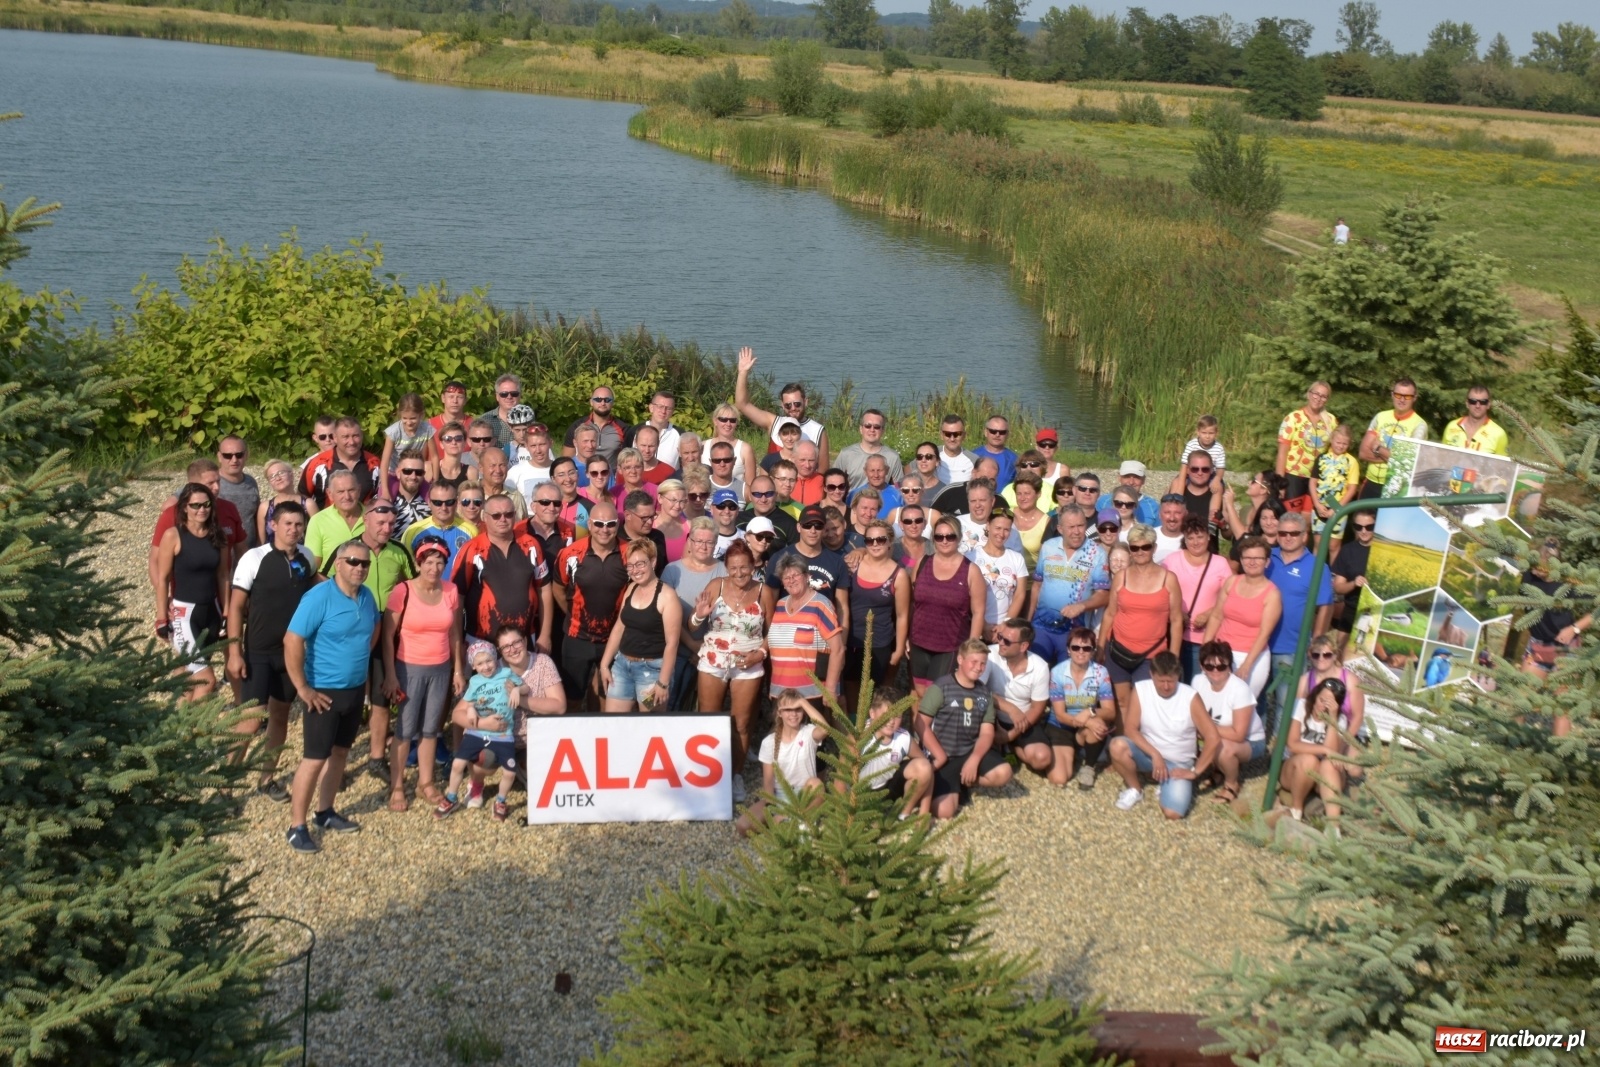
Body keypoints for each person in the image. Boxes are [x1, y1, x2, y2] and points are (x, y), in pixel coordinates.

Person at [283, 538, 381, 853]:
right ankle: (296, 825)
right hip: (322, 691)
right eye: (353, 561)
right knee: (314, 759)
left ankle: (325, 811)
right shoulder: (319, 597)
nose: (359, 568)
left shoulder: (366, 597)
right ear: (338, 563)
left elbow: (373, 630)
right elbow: (292, 640)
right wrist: (302, 688)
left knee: (340, 753)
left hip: (353, 690)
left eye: (365, 563)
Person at [227, 500, 318, 803]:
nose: (293, 530)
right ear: (273, 525)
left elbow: (320, 589)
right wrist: (234, 652)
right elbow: (236, 607)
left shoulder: (306, 558)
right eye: (287, 524)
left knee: (279, 717)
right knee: (251, 721)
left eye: (298, 524)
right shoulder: (255, 558)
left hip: (291, 653)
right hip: (258, 652)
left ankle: (267, 779)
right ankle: (224, 784)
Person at [328, 500, 415, 779]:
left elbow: (414, 582)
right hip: (351, 629)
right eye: (380, 523)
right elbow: (323, 578)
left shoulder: (399, 549)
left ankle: (376, 758)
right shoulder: (350, 549)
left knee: (380, 697)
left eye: (391, 524)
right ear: (366, 521)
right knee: (343, 698)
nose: (387, 528)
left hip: (387, 629)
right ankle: (334, 764)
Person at [381, 537, 464, 812]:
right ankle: (397, 786)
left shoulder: (451, 590)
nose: (434, 567)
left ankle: (425, 783)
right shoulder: (402, 591)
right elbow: (387, 636)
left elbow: (454, 634)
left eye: (440, 561)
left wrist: (458, 670)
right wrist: (391, 675)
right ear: (418, 562)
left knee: (431, 730)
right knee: (405, 731)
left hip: (440, 668)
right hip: (409, 668)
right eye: (428, 561)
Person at [688, 539, 764, 795]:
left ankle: (735, 776)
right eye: (733, 568)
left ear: (753, 566)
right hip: (714, 660)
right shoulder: (715, 585)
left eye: (744, 567)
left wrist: (760, 654)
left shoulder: (765, 592)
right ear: (726, 568)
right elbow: (693, 626)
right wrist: (699, 614)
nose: (739, 573)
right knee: (710, 721)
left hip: (748, 662)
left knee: (741, 724)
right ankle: (709, 776)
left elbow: (772, 632)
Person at [1106, 652, 1220, 819]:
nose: (1166, 686)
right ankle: (1135, 789)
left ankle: (1167, 784)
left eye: (1171, 681)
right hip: (1149, 756)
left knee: (1173, 813)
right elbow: (1130, 729)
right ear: (1152, 675)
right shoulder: (1141, 690)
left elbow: (1213, 738)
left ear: (1178, 677)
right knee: (1117, 746)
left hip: (1178, 762)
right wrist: (1155, 754)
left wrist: (1195, 772)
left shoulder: (1190, 697)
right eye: (1161, 681)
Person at [917, 639, 1013, 820]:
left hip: (969, 751)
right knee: (943, 812)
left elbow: (986, 732)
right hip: (944, 755)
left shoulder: (984, 693)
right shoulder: (941, 687)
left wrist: (975, 759)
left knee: (1004, 773)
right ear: (960, 660)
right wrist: (940, 756)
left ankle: (965, 779)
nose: (979, 667)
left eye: (983, 663)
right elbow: (920, 723)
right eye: (974, 662)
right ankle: (957, 784)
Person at [152, 482, 229, 703]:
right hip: (184, 614)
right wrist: (160, 617)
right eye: (195, 505)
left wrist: (226, 613)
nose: (201, 510)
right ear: (185, 507)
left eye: (206, 504)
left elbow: (223, 575)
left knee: (187, 672)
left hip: (211, 611)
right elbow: (163, 578)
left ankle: (178, 722)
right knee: (206, 679)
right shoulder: (173, 536)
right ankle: (194, 730)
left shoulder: (218, 536)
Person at [435, 642, 524, 822]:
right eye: (480, 663)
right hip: (477, 732)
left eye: (489, 661)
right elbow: (470, 702)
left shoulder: (506, 673)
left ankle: (500, 801)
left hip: (503, 733)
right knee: (458, 764)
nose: (486, 666)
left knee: (510, 771)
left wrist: (517, 690)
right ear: (474, 666)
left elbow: (525, 687)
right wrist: (471, 709)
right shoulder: (475, 681)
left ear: (495, 659)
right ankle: (451, 797)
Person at [1264, 511, 1335, 736]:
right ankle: (1256, 746)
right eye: (1282, 533)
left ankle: (1281, 752)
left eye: (1293, 533)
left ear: (1305, 536)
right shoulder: (1266, 559)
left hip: (1292, 647)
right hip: (1259, 644)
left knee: (1287, 704)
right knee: (1255, 699)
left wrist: (1316, 641)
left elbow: (1325, 605)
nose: (1287, 537)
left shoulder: (1317, 567)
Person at [1099, 523, 1182, 713]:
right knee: (1121, 703)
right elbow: (1110, 613)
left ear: (1153, 548)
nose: (1140, 552)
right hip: (1118, 650)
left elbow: (1176, 620)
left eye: (1145, 547)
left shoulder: (1168, 579)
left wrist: (1173, 656)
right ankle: (1123, 742)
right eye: (1134, 548)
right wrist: (1101, 646)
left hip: (1151, 654)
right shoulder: (1121, 577)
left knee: (1146, 706)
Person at [554, 501, 629, 708]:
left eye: (611, 524)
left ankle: (604, 737)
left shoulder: (630, 553)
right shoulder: (570, 554)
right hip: (577, 637)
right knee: (573, 697)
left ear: (618, 524)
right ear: (589, 524)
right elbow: (558, 589)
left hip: (614, 638)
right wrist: (573, 615)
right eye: (598, 523)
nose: (604, 530)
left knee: (609, 694)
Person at [599, 539, 681, 713]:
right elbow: (619, 628)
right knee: (614, 724)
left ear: (652, 562)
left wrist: (663, 682)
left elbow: (672, 643)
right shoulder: (631, 589)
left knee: (650, 726)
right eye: (630, 566)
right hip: (622, 666)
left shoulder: (667, 596)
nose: (635, 570)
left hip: (652, 671)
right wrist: (605, 664)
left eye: (640, 564)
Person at [908, 516, 985, 696]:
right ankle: (916, 726)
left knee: (935, 697)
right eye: (939, 536)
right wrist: (906, 637)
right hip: (919, 642)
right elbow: (913, 603)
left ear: (958, 538)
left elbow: (978, 612)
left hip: (950, 646)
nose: (944, 541)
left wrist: (971, 649)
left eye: (950, 536)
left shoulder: (971, 571)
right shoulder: (922, 563)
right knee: (918, 694)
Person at [735, 691, 828, 837]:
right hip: (780, 795)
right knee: (743, 826)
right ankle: (788, 821)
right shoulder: (769, 742)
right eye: (788, 710)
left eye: (797, 709)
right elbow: (768, 782)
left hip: (805, 793)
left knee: (817, 784)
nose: (793, 714)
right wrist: (773, 807)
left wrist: (803, 702)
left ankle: (797, 819)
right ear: (779, 713)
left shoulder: (808, 732)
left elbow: (825, 729)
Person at [147, 459, 250, 591]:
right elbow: (155, 561)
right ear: (192, 485)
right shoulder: (172, 515)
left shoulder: (229, 509)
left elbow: (242, 551)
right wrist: (165, 599)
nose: (217, 487)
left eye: (218, 481)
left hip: (222, 594)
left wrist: (244, 589)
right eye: (210, 483)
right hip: (183, 597)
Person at [1026, 504, 1111, 663]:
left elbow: (1104, 595)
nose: (1077, 531)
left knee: (1067, 679)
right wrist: (1029, 621)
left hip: (1074, 631)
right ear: (1060, 528)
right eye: (1071, 527)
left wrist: (1082, 606)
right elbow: (1037, 585)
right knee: (1036, 673)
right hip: (1041, 626)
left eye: (1080, 525)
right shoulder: (1048, 547)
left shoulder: (1097, 553)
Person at [1203, 536, 1282, 697]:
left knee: (1241, 704)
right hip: (1220, 652)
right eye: (1247, 558)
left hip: (1250, 655)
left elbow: (1264, 634)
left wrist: (1247, 665)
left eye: (1257, 558)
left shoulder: (1272, 594)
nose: (1252, 562)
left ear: (1266, 562)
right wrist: (1206, 649)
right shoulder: (1231, 582)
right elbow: (1216, 616)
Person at [844, 519, 911, 708]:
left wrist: (898, 650)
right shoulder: (852, 565)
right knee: (850, 684)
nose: (874, 544)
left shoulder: (899, 575)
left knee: (878, 691)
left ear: (890, 542)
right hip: (851, 639)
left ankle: (874, 731)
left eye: (880, 540)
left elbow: (902, 616)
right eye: (869, 540)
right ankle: (854, 731)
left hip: (880, 641)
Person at [1192, 639, 1263, 805]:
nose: (1215, 670)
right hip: (1219, 733)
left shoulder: (1239, 690)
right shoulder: (1198, 681)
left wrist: (1205, 727)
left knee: (1223, 747)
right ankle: (1218, 771)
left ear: (1229, 666)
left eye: (1221, 666)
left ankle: (1232, 784)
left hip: (1250, 741)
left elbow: (1238, 734)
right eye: (1210, 666)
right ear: (1202, 667)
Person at [766, 554, 845, 699]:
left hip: (813, 693)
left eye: (795, 575)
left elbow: (838, 650)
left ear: (807, 576)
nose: (791, 581)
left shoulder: (821, 605)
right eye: (786, 577)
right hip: (781, 693)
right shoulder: (780, 605)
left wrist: (831, 689)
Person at [1045, 627, 1115, 790]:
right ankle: (1076, 753)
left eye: (1086, 648)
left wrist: (1090, 712)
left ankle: (1089, 766)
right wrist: (1087, 723)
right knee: (1059, 778)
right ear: (1068, 650)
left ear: (1093, 651)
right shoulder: (1057, 672)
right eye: (1075, 647)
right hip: (1060, 726)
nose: (1081, 652)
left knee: (1099, 723)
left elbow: (1111, 712)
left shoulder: (1101, 672)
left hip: (1086, 724)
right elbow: (1061, 715)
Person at [1162, 514, 1229, 681]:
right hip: (1174, 635)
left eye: (1200, 537)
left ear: (1208, 537)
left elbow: (1230, 597)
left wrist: (1210, 613)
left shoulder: (1220, 563)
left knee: (1198, 685)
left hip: (1206, 638)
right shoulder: (1172, 560)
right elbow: (1161, 591)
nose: (1196, 542)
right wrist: (1176, 612)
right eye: (1190, 537)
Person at [985, 619, 1053, 777]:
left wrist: (1011, 735)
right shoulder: (989, 654)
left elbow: (1037, 707)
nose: (1000, 642)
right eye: (1000, 637)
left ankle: (1011, 746)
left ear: (1023, 646)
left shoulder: (1040, 667)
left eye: (1007, 641)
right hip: (990, 716)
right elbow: (978, 691)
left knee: (1042, 759)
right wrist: (1010, 708)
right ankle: (1001, 745)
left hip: (1023, 721)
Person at [735, 347, 829, 461]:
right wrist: (743, 373)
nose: (793, 408)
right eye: (788, 405)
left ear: (806, 402)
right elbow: (742, 404)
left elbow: (823, 469)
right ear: (783, 406)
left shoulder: (817, 430)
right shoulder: (773, 422)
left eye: (797, 404)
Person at [1282, 677, 1350, 825]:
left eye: (1329, 704)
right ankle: (1296, 810)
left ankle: (1334, 826)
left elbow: (1332, 754)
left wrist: (1332, 719)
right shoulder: (1301, 706)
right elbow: (1293, 745)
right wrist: (1323, 749)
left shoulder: (1340, 719)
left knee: (1328, 765)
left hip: (1322, 777)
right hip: (1296, 769)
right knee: (1308, 760)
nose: (1322, 706)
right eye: (1321, 700)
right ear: (1315, 696)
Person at [858, 687, 934, 818]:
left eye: (897, 716)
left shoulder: (903, 738)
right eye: (886, 715)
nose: (891, 721)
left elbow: (927, 771)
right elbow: (842, 772)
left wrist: (924, 812)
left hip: (888, 789)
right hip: (861, 793)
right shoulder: (859, 735)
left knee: (923, 766)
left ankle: (903, 814)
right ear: (872, 713)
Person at [1358, 377, 1429, 499]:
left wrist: (1378, 449)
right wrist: (1394, 457)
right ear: (1392, 395)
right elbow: (1363, 453)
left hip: (1397, 488)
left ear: (1415, 398)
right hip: (1371, 483)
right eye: (1398, 395)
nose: (1401, 399)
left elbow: (1407, 463)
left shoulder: (1419, 425)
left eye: (1407, 396)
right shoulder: (1380, 417)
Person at [1276, 381, 1336, 509]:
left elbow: (1333, 451)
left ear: (1327, 400)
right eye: (1316, 394)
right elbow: (1282, 454)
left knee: (1309, 519)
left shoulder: (1331, 421)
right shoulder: (1293, 418)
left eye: (1323, 396)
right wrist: (1280, 484)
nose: (1318, 398)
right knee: (1291, 517)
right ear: (1309, 394)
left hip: (1318, 478)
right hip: (1294, 476)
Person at [973, 510, 1029, 643]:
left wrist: (1005, 625)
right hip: (976, 627)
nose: (1001, 534)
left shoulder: (1017, 558)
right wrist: (983, 625)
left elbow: (1020, 594)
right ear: (988, 526)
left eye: (1006, 530)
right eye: (997, 528)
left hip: (1005, 631)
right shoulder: (971, 557)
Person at [300, 416, 380, 508]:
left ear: (362, 435)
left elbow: (382, 497)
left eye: (356, 436)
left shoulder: (374, 464)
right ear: (335, 438)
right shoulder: (317, 464)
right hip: (326, 521)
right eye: (345, 437)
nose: (351, 442)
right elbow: (303, 496)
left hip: (362, 521)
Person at [401, 481, 477, 577]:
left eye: (449, 502)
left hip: (459, 591)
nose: (444, 508)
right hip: (424, 591)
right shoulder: (413, 531)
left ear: (457, 502)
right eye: (437, 503)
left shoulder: (472, 531)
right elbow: (405, 569)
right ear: (429, 502)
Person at [1329, 509, 1375, 649]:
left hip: (1376, 612)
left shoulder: (1385, 550)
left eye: (1369, 527)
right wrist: (1354, 583)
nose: (1363, 531)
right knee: (1339, 652)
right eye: (1358, 527)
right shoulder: (1348, 550)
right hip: (1352, 609)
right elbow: (1338, 587)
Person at [1166, 449, 1222, 548]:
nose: (1200, 473)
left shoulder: (1217, 490)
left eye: (1205, 469)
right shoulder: (1178, 488)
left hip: (1208, 550)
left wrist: (1224, 525)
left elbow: (1228, 534)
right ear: (1187, 470)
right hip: (1178, 549)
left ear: (1211, 470)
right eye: (1195, 469)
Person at [835, 409, 903, 490]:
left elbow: (899, 487)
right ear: (861, 429)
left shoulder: (893, 457)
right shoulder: (846, 454)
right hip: (852, 501)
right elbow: (833, 482)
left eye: (877, 427)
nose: (872, 430)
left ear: (883, 431)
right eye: (868, 426)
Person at [956, 477, 1022, 558]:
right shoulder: (955, 525)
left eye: (982, 500)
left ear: (992, 501)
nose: (977, 505)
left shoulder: (1008, 527)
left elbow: (1017, 561)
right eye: (973, 501)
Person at [215, 435, 260, 548]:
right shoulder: (211, 482)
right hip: (221, 554)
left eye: (239, 455)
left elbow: (256, 516)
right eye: (227, 456)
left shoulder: (251, 482)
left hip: (249, 553)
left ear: (246, 455)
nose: (234, 460)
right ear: (219, 457)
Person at [257, 458, 315, 547]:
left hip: (302, 556)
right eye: (272, 476)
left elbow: (319, 534)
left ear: (291, 475)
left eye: (281, 473)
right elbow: (261, 541)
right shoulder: (264, 507)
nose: (277, 478)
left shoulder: (308, 504)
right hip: (272, 557)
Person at [379, 392, 436, 478]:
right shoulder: (393, 432)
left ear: (421, 415)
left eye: (413, 418)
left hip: (416, 473)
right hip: (394, 473)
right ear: (400, 415)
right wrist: (385, 489)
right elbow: (384, 463)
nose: (408, 423)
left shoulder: (427, 429)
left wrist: (435, 483)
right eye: (404, 418)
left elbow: (434, 457)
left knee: (428, 466)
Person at [1442, 385, 1508, 456]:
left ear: (1488, 405)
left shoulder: (1499, 434)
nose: (1477, 406)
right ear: (1467, 403)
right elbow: (1441, 458)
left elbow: (1502, 466)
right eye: (1473, 401)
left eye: (1483, 402)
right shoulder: (1451, 426)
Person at [1005, 470, 1050, 571]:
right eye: (1019, 494)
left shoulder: (1046, 522)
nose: (1022, 498)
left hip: (1032, 579)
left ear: (1038, 494)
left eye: (1027, 493)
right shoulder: (1006, 515)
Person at [738, 474, 797, 551]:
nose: (763, 499)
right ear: (750, 496)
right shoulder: (739, 519)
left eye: (768, 494)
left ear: (776, 495)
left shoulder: (789, 524)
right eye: (757, 494)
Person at [628, 390, 682, 472]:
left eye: (668, 408)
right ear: (651, 408)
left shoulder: (679, 435)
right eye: (660, 406)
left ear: (672, 412)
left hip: (668, 483)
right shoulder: (635, 431)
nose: (663, 411)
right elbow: (624, 460)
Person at [706, 402, 757, 487]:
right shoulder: (703, 446)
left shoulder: (745, 449)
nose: (728, 424)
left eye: (732, 420)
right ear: (715, 421)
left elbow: (750, 485)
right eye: (723, 419)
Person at [620, 489, 669, 576]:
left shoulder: (658, 537)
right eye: (644, 518)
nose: (650, 522)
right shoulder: (615, 539)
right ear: (628, 515)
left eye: (652, 516)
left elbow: (663, 571)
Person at [384, 450, 432, 537]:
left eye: (419, 472)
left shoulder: (433, 504)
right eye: (407, 471)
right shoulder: (384, 502)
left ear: (423, 474)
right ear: (398, 473)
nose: (413, 477)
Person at [508, 419, 554, 500]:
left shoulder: (560, 470)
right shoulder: (514, 473)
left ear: (550, 443)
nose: (538, 450)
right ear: (526, 446)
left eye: (542, 444)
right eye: (533, 446)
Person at [971, 415, 1018, 490]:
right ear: (986, 432)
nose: (997, 435)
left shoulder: (1014, 460)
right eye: (993, 431)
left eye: (1002, 432)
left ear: (1007, 434)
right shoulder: (973, 456)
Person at [479, 373, 525, 449]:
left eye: (514, 393)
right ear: (497, 396)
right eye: (504, 394)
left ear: (519, 396)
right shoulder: (485, 420)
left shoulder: (529, 420)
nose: (509, 397)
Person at [851, 455, 903, 519]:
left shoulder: (898, 495)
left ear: (887, 471)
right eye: (872, 470)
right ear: (865, 472)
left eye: (880, 470)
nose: (876, 475)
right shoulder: (854, 494)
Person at [550, 457, 590, 537]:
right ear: (553, 479)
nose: (568, 479)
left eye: (571, 473)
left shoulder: (590, 508)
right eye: (561, 475)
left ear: (578, 475)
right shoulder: (546, 506)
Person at [1178, 414, 1226, 479]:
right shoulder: (1192, 445)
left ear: (1216, 433)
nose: (1207, 436)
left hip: (1210, 475)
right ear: (1198, 432)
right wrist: (1181, 481)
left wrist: (1217, 479)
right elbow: (1184, 464)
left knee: (1219, 487)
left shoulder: (1219, 448)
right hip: (1192, 473)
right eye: (1204, 433)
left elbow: (1220, 468)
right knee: (1176, 483)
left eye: (1211, 433)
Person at [935, 414, 973, 486]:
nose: (952, 439)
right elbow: (909, 470)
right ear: (941, 435)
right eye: (947, 434)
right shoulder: (931, 454)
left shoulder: (973, 460)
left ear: (964, 435)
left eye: (956, 434)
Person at [433, 421, 471, 491]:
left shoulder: (470, 472)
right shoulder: (431, 468)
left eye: (458, 438)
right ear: (441, 444)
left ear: (465, 443)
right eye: (448, 439)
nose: (453, 442)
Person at [709, 487, 745, 556]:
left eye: (732, 507)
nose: (727, 511)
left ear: (737, 511)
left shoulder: (746, 538)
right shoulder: (703, 537)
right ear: (711, 508)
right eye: (721, 506)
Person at [1152, 494, 1187, 564]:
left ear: (1186, 514)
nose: (1172, 518)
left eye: (1177, 513)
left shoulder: (1192, 540)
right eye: (1167, 512)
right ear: (1159, 514)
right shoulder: (1148, 537)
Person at [895, 504, 932, 571]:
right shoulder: (892, 548)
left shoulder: (933, 548)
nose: (914, 526)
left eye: (918, 521)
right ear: (901, 524)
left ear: (925, 523)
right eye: (908, 522)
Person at [791, 441, 825, 507]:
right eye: (802, 460)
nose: (807, 465)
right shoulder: (782, 481)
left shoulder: (824, 482)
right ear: (793, 458)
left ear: (817, 460)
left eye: (811, 460)